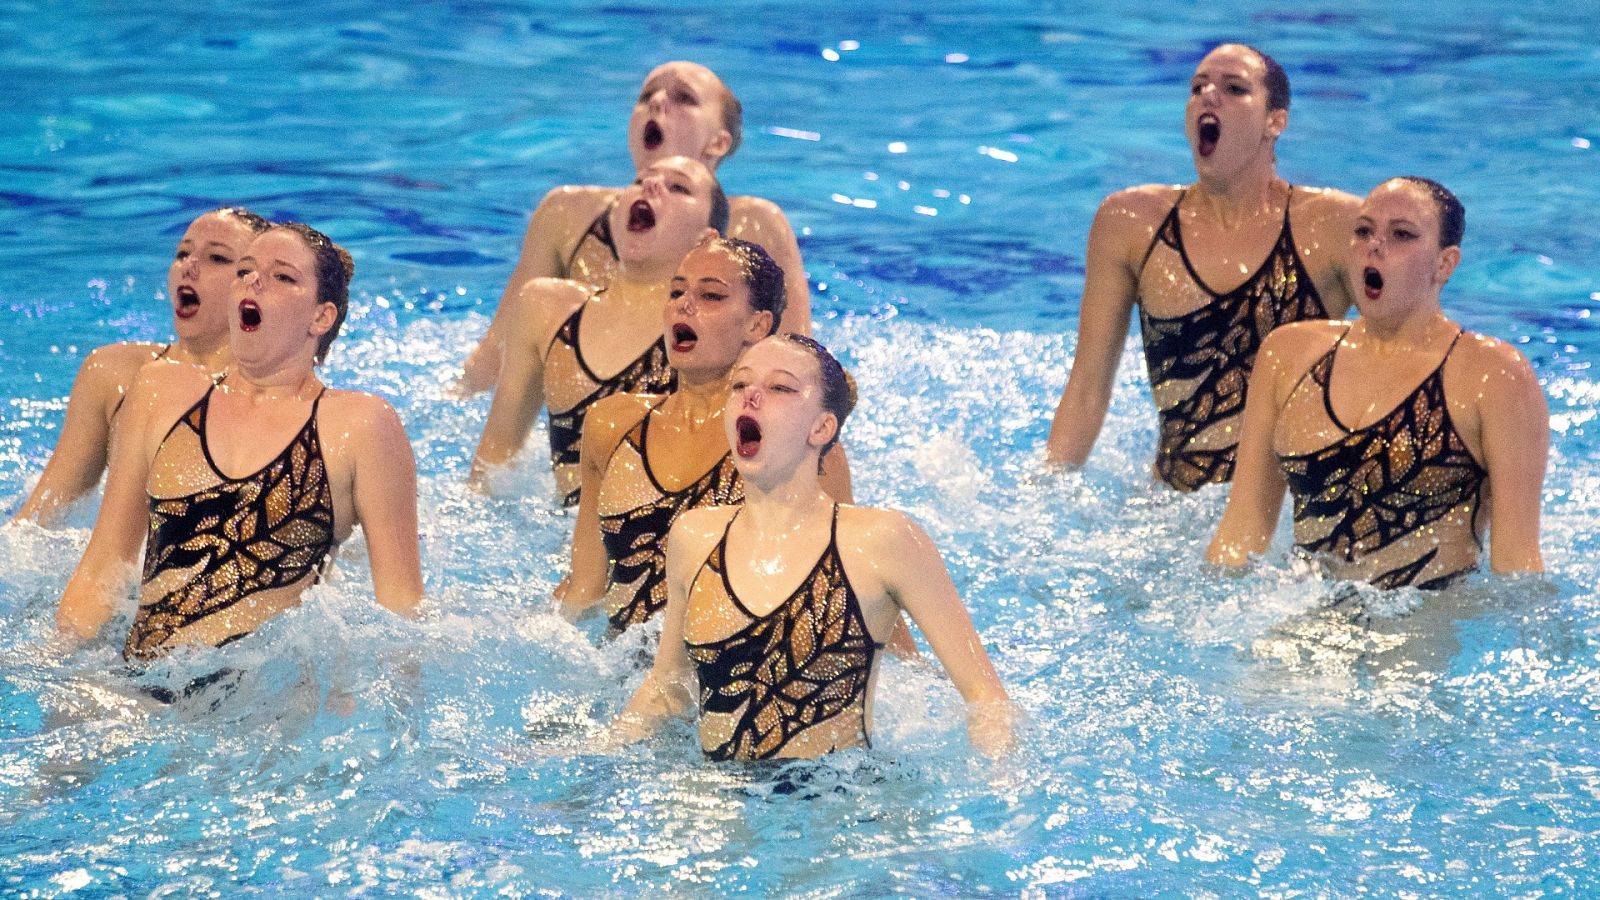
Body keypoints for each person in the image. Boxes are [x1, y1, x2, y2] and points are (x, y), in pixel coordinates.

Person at [615, 334, 1013, 760]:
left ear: (822, 427)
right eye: (739, 385)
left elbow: (986, 698)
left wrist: (1001, 788)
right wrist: (599, 754)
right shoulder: (695, 537)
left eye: (780, 388)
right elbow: (668, 687)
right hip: (718, 799)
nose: (751, 396)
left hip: (835, 806)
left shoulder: (881, 540)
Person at [55, 223, 423, 659]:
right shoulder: (161, 393)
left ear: (320, 317)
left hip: (265, 710)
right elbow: (104, 566)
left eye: (283, 276)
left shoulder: (359, 426)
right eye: (246, 271)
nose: (256, 282)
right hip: (141, 688)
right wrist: (56, 662)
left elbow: (401, 614)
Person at [1046, 44, 1359, 491]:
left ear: (1276, 121)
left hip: (1291, 507)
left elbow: (1403, 361)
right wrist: (1047, 488)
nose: (1209, 97)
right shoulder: (1131, 223)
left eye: (1234, 89)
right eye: (1198, 88)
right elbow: (1088, 385)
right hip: (1175, 503)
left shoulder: (1336, 227)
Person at [1207, 177, 1546, 588]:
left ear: (1445, 264)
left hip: (1425, 621)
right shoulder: (1289, 356)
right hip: (1305, 603)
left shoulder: (1492, 376)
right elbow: (1242, 530)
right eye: (1363, 230)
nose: (1375, 245)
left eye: (1401, 235)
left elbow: (1517, 567)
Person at [459, 61, 811, 394]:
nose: (658, 102)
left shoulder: (754, 224)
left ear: (718, 142)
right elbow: (499, 351)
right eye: (646, 96)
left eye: (684, 98)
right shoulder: (566, 213)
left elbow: (798, 364)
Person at [561, 238, 855, 634]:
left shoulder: (795, 446)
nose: (684, 304)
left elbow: (852, 588)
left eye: (711, 295)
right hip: (624, 675)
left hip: (729, 686)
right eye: (676, 291)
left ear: (757, 325)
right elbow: (585, 587)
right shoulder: (612, 425)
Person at [469, 156, 729, 506]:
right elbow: (496, 456)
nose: (650, 186)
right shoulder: (545, 308)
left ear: (706, 238)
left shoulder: (708, 332)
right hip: (560, 534)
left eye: (677, 187)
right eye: (640, 180)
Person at [13, 208, 270, 525]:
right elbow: (42, 516)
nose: (188, 267)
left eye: (217, 258)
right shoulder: (113, 373)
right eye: (182, 253)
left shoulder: (276, 397)